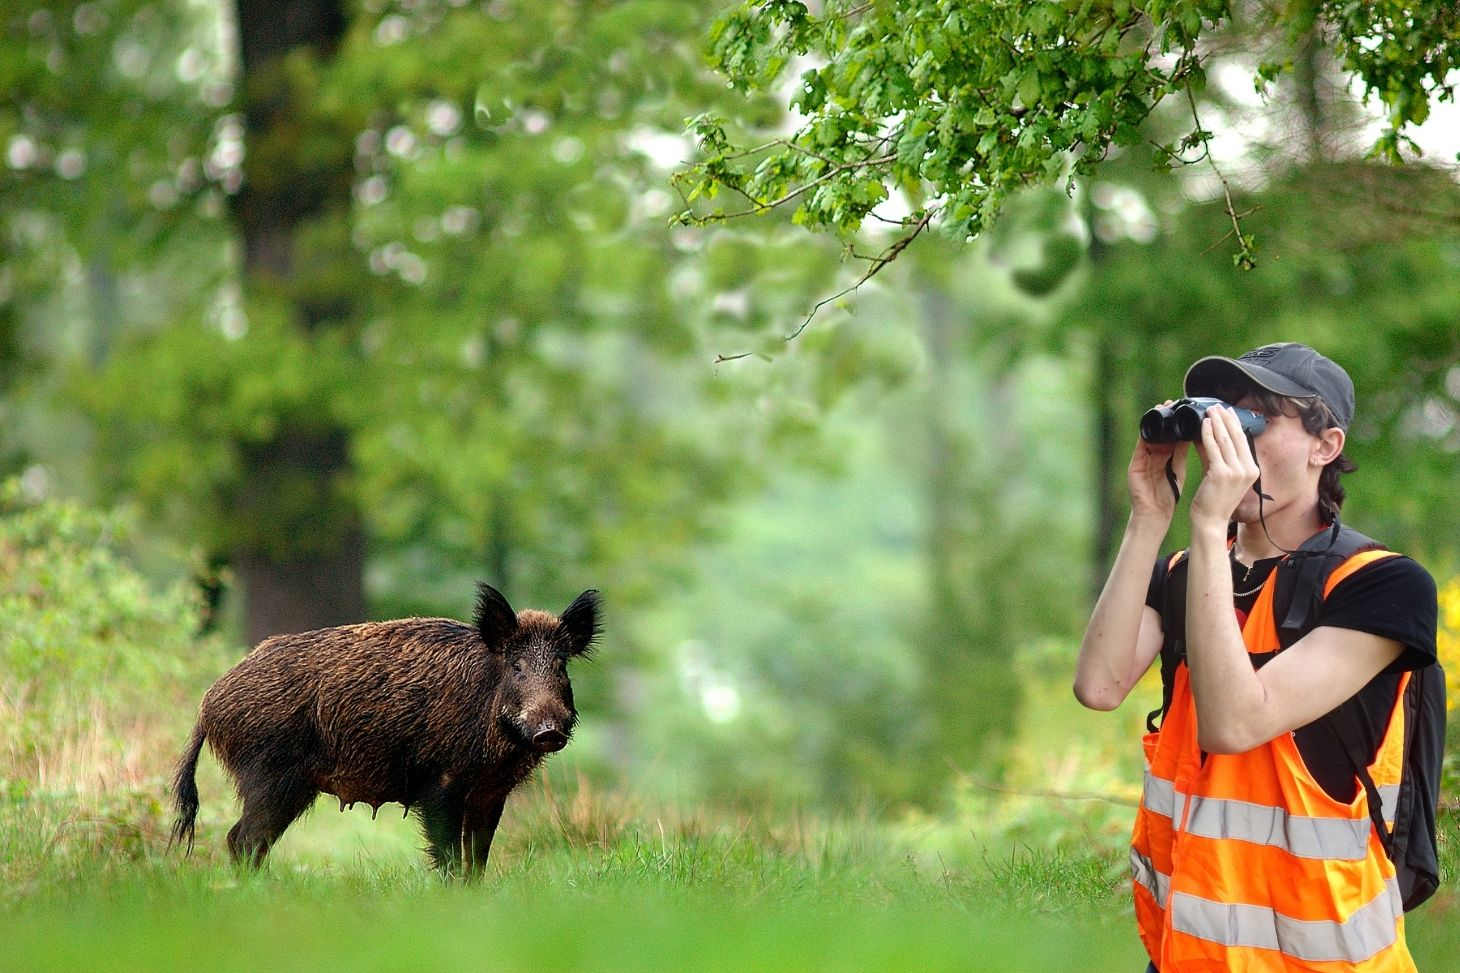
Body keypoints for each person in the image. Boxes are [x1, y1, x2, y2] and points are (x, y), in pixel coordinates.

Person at [1074, 343, 1438, 972]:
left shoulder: (1380, 585)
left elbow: (1235, 724)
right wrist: (1149, 518)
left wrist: (1211, 527)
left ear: (1325, 446)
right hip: (1188, 953)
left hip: (1326, 960)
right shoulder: (1189, 573)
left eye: (1255, 420)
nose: (1227, 441)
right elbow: (1099, 686)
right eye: (1220, 417)